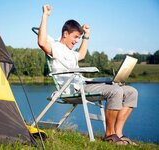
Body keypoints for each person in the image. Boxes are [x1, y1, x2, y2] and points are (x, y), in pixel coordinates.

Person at [37, 4, 138, 145]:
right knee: (115, 91)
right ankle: (110, 135)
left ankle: (118, 133)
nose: (77, 40)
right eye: (75, 37)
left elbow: (82, 55)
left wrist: (86, 36)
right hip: (74, 89)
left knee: (131, 91)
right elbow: (41, 41)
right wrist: (45, 16)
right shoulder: (55, 48)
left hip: (83, 84)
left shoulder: (71, 53)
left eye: (79, 38)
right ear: (65, 34)